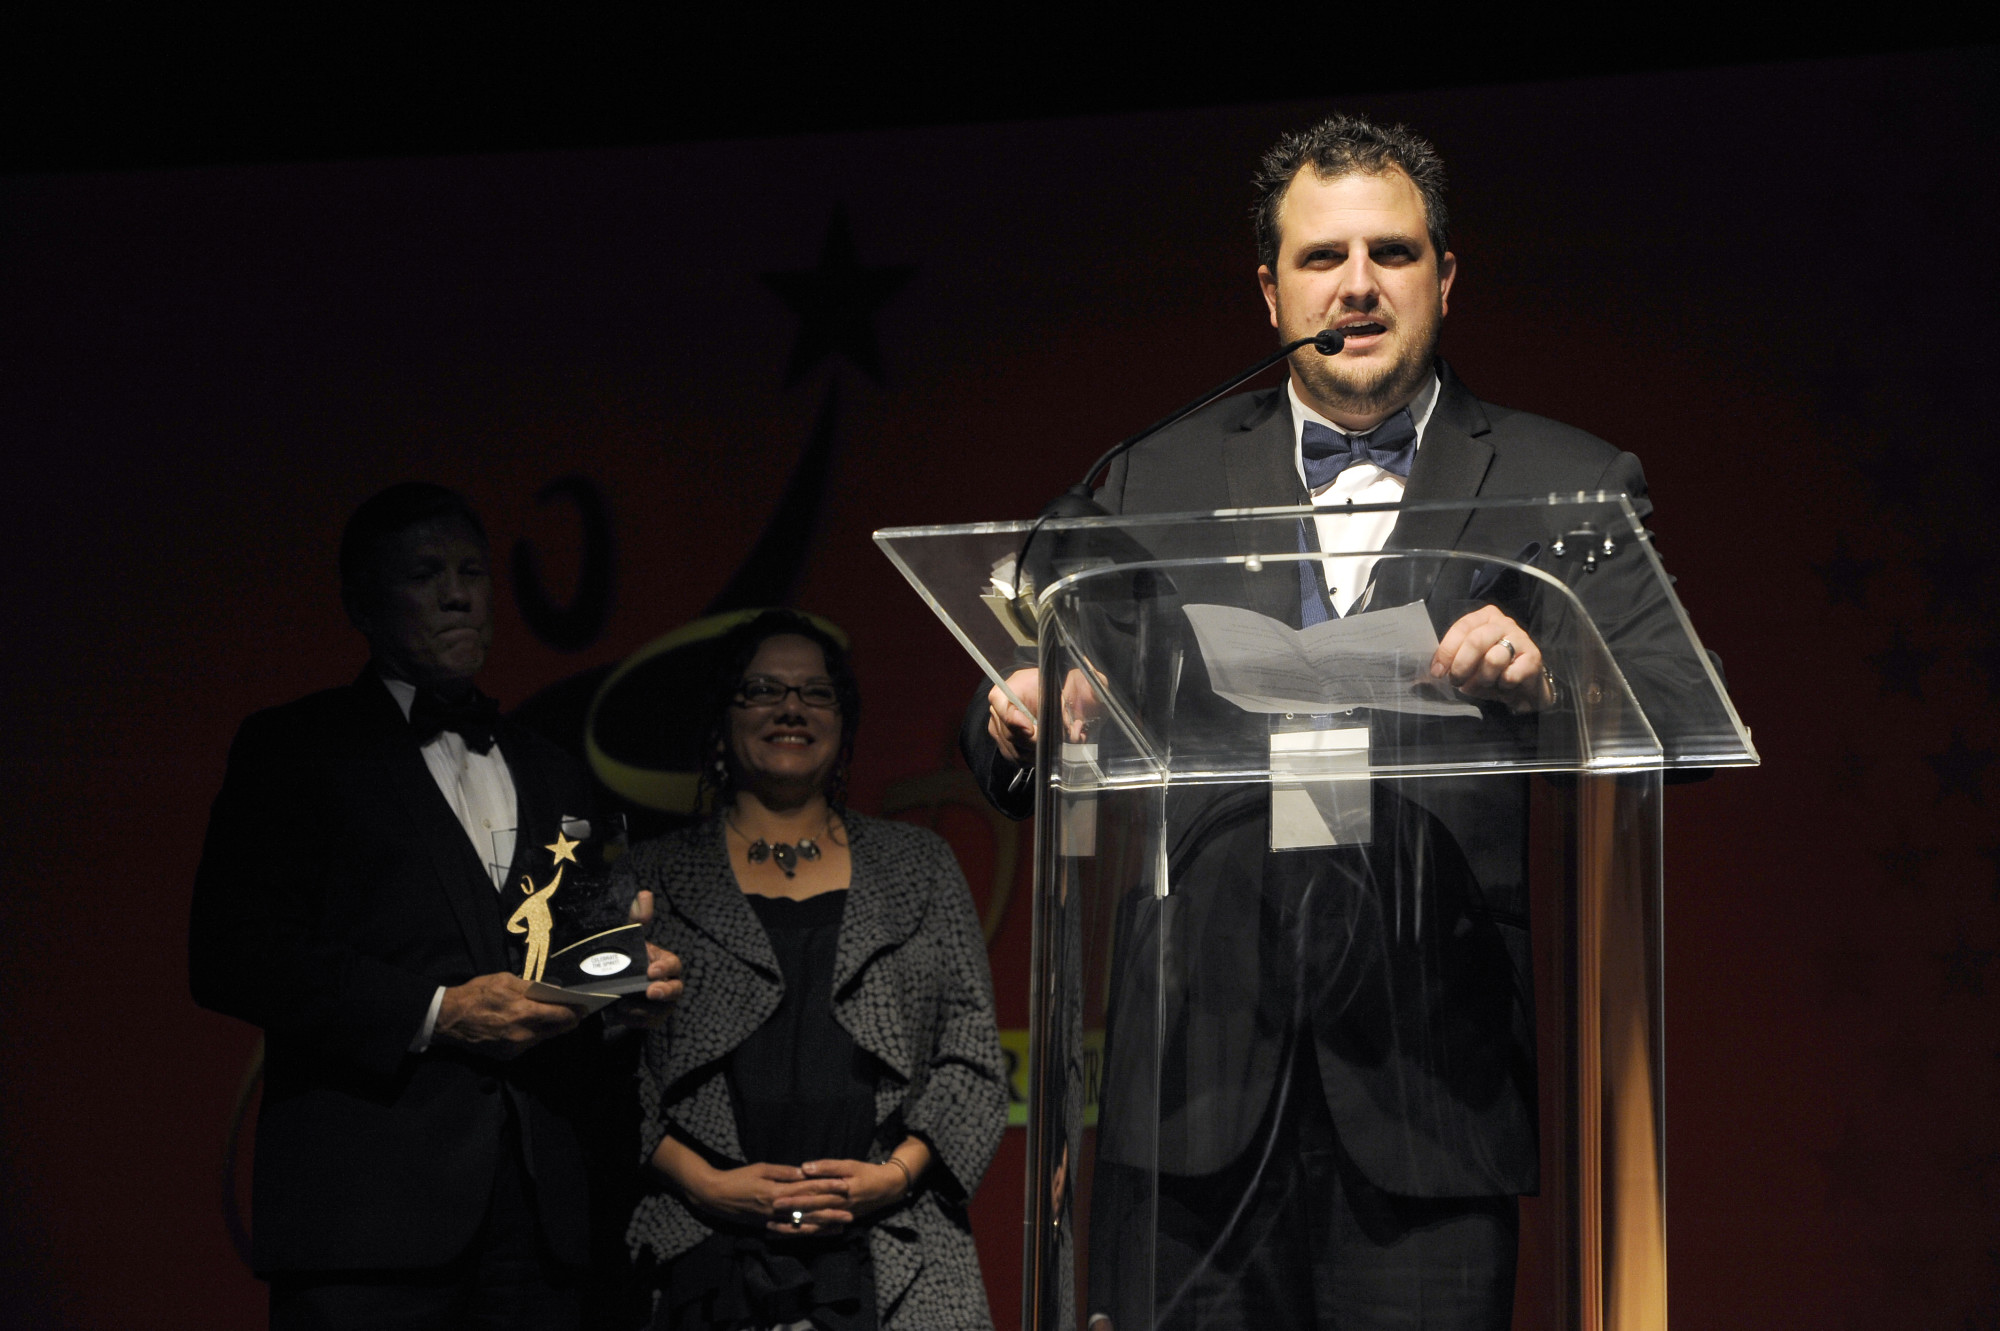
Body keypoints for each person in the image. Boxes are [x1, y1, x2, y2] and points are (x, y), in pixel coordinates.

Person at [962, 114, 1715, 1330]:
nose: (1355, 285)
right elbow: (1020, 711)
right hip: (1188, 1085)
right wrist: (1022, 710)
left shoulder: (1562, 477)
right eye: (1321, 257)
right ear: (1270, 292)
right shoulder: (1149, 475)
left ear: (1443, 278)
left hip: (1432, 1087)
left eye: (1390, 253)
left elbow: (1679, 708)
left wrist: (1553, 671)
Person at [188, 482, 682, 1331]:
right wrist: (437, 1011)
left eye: (472, 572)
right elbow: (236, 951)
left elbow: (570, 961)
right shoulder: (294, 748)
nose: (458, 594)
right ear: (361, 603)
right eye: (425, 574)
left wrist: (622, 987)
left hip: (541, 1221)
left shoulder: (555, 768)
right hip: (367, 1222)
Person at [620, 610, 1008, 1331]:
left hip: (893, 1251)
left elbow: (973, 1057)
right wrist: (706, 1184)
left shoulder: (920, 866)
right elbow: (610, 1074)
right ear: (723, 718)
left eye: (816, 692)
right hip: (702, 1255)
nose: (791, 708)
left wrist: (895, 1175)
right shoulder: (653, 875)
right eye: (763, 689)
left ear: (843, 722)